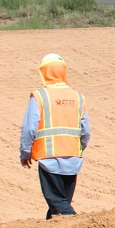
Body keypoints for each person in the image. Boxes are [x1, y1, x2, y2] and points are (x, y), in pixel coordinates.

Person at [20, 53, 91, 219]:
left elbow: (29, 129)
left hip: (49, 159)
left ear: (43, 72)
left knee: (60, 206)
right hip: (73, 158)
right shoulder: (78, 97)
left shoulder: (40, 96)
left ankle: (78, 224)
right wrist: (80, 147)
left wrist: (25, 152)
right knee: (59, 204)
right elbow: (85, 131)